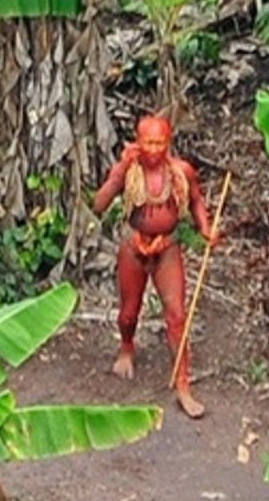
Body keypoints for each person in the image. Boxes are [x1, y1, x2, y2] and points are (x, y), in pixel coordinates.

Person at [92, 114, 219, 419]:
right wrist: (121, 168)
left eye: (159, 142)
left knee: (176, 316)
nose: (153, 149)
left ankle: (183, 383)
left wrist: (205, 227)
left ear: (168, 142)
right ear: (137, 142)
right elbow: (99, 204)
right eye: (147, 142)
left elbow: (197, 201)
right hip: (133, 247)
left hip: (168, 247)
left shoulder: (180, 172)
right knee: (128, 313)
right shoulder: (128, 171)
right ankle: (126, 347)